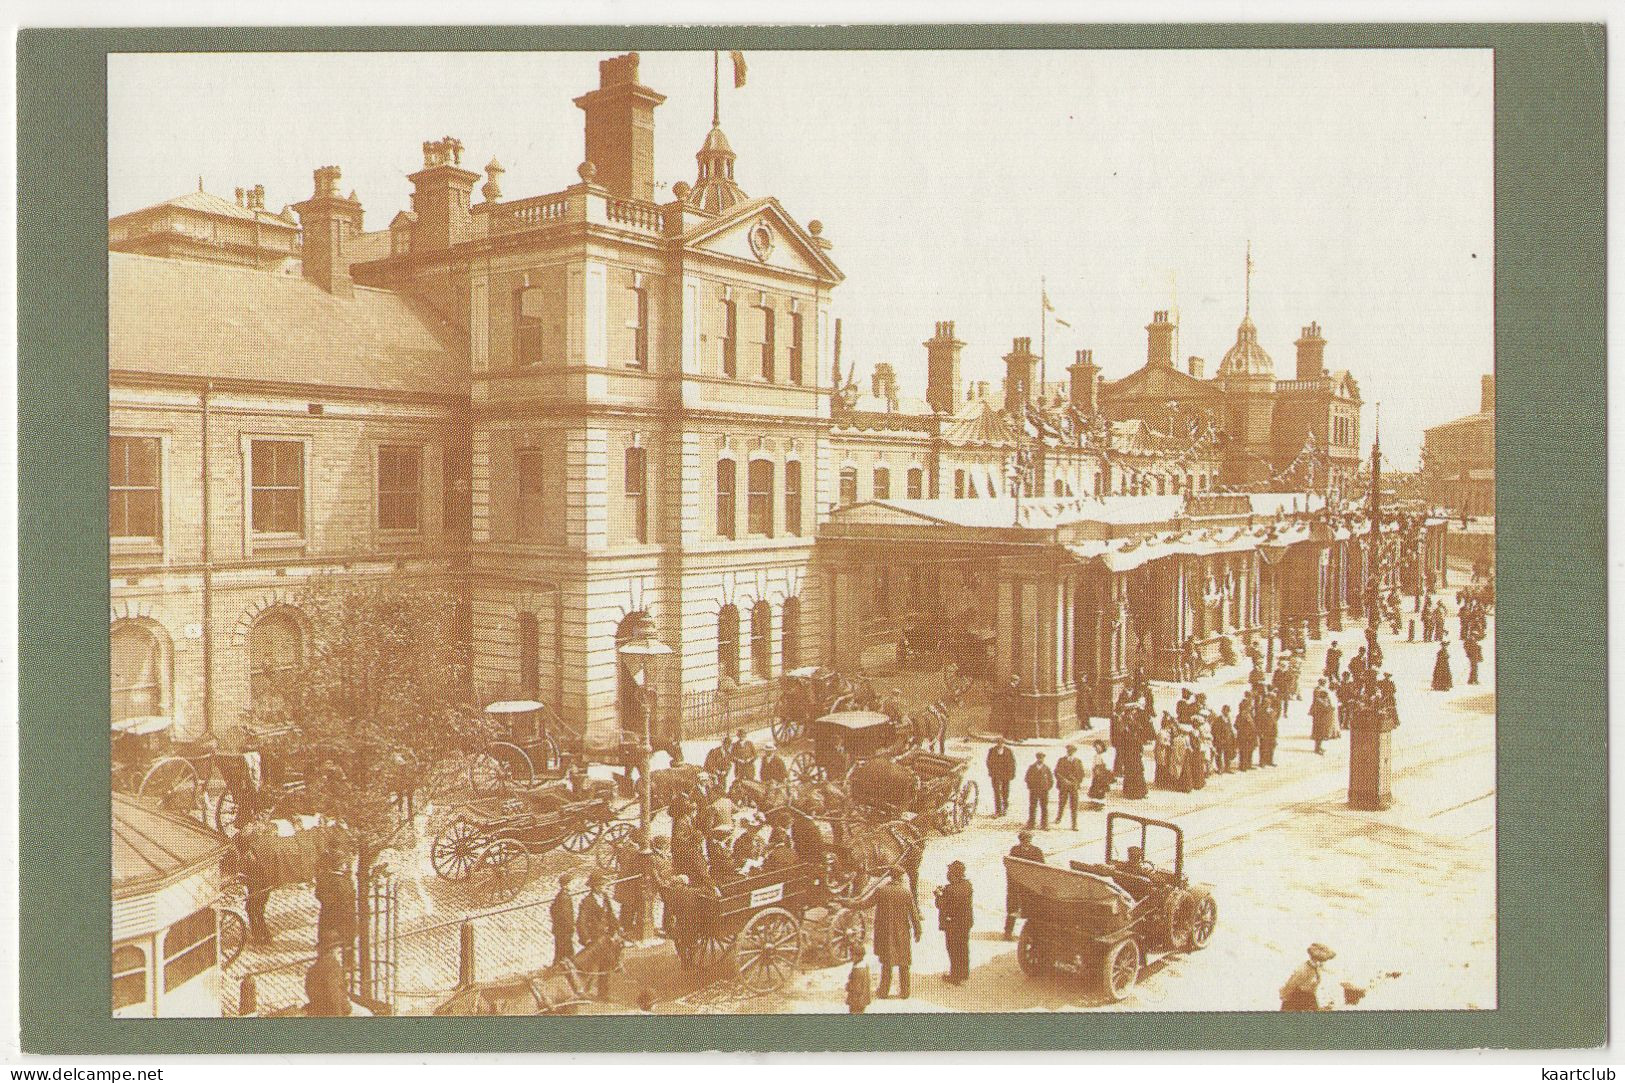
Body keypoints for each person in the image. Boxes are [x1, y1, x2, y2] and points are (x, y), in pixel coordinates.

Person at [872, 872, 922, 1000]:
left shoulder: (881, 891)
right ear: (900, 878)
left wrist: (848, 903)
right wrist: (918, 931)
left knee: (887, 963)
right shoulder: (905, 892)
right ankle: (905, 992)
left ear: (891, 877)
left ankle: (883, 992)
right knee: (904, 963)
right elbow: (914, 915)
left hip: (885, 933)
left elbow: (864, 904)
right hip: (902, 933)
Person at [576, 872, 620, 998]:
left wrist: (616, 927)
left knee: (605, 966)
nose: (605, 887)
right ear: (595, 887)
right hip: (595, 939)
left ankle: (603, 993)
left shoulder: (605, 897)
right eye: (603, 885)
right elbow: (581, 921)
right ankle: (582, 991)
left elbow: (610, 914)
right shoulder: (587, 902)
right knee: (591, 966)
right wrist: (586, 938)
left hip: (605, 938)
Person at [935, 859, 974, 984]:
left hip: (953, 924)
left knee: (953, 949)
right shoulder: (968, 885)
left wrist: (938, 895)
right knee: (963, 947)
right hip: (966, 922)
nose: (948, 874)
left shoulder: (949, 889)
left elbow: (941, 905)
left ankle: (955, 976)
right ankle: (964, 973)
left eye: (949, 871)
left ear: (953, 874)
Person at [313, 852, 356, 963]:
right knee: (347, 941)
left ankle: (327, 963)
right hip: (344, 916)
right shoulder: (345, 880)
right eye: (343, 863)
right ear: (340, 865)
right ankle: (348, 964)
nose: (345, 866)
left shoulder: (324, 879)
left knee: (328, 940)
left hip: (328, 916)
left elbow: (319, 894)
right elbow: (350, 897)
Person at [1005, 831, 1044, 938]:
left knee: (1032, 909)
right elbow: (1011, 867)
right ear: (1020, 840)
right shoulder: (1015, 850)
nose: (1026, 842)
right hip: (1016, 885)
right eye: (1024, 840)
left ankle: (1032, 934)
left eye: (1028, 840)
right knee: (1013, 908)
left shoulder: (1037, 851)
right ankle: (1008, 932)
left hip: (1030, 886)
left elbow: (1041, 869)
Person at [1280, 943, 1337, 1011]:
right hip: (1297, 1000)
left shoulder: (1317, 969)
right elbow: (1289, 986)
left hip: (1310, 998)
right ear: (1315, 959)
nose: (1322, 963)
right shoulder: (1303, 969)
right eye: (1321, 961)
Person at [304, 942, 351, 1017]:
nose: (340, 953)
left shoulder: (312, 968)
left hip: (317, 1010)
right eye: (338, 951)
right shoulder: (333, 966)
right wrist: (345, 1009)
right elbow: (334, 995)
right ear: (332, 951)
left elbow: (309, 991)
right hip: (332, 1012)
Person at [1054, 744, 1085, 830]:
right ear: (1067, 751)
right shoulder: (1061, 760)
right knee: (1062, 803)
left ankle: (1074, 824)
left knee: (1074, 805)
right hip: (1063, 785)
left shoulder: (1078, 761)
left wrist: (1076, 782)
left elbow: (1081, 774)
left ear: (1075, 752)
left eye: (1072, 751)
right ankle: (1059, 817)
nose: (1070, 753)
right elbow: (1057, 772)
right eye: (1069, 751)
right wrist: (1063, 780)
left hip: (1073, 786)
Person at [550, 874, 578, 964]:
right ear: (566, 885)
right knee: (567, 952)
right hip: (565, 930)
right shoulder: (565, 897)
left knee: (560, 951)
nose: (573, 885)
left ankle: (557, 966)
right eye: (572, 883)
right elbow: (566, 915)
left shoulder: (560, 895)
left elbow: (552, 909)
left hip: (559, 929)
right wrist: (571, 927)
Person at [986, 737, 1016, 817]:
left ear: (1004, 743)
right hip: (995, 775)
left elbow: (1012, 763)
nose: (1000, 744)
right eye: (998, 742)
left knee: (1005, 792)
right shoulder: (992, 751)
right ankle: (998, 811)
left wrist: (1012, 774)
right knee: (996, 792)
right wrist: (991, 771)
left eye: (1001, 742)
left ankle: (1005, 808)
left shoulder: (1008, 751)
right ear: (997, 743)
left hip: (1006, 775)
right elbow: (989, 762)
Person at [1024, 752, 1054, 830]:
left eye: (1042, 758)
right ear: (1037, 758)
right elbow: (1027, 778)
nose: (1040, 760)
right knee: (1033, 807)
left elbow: (1051, 780)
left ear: (1044, 759)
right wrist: (1031, 787)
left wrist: (1047, 788)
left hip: (1044, 791)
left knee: (1044, 807)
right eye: (1039, 758)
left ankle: (1044, 824)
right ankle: (1031, 823)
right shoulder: (1032, 767)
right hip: (1034, 791)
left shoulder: (1047, 768)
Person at [845, 945, 875, 1013]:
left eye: (852, 955)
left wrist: (848, 986)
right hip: (862, 998)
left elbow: (856, 986)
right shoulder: (864, 966)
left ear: (858, 956)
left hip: (856, 999)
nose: (851, 957)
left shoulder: (858, 970)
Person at [1310, 680, 1336, 755]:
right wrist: (1331, 708)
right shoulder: (1321, 702)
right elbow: (1326, 708)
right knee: (1319, 735)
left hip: (1320, 720)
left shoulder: (1320, 700)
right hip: (1320, 721)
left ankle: (1318, 747)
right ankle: (1317, 749)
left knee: (1320, 735)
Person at [1235, 697, 1258, 771]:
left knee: (1250, 750)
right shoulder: (1241, 715)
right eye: (1249, 706)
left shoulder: (1249, 714)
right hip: (1244, 736)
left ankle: (1248, 764)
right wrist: (1243, 731)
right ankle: (1243, 766)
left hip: (1251, 736)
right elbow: (1236, 725)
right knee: (1243, 751)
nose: (1250, 707)